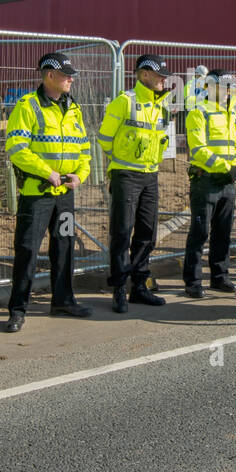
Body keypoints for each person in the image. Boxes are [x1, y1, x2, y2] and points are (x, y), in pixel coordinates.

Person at [2, 51, 93, 333]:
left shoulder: (73, 108)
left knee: (64, 246)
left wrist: (80, 174)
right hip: (37, 194)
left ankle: (63, 301)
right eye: (66, 75)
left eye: (72, 76)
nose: (71, 80)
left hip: (64, 196)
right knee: (28, 250)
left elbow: (84, 150)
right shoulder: (28, 106)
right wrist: (47, 172)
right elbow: (16, 149)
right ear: (49, 75)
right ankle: (17, 310)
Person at [99, 54, 173, 311]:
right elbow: (104, 139)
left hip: (150, 176)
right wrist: (123, 161)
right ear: (143, 75)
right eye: (159, 74)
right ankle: (119, 288)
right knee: (121, 232)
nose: (164, 78)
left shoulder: (161, 106)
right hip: (126, 175)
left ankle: (139, 286)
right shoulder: (125, 101)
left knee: (146, 233)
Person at [182, 69, 236, 297]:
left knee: (223, 233)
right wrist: (224, 168)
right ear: (210, 87)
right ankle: (193, 281)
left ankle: (220, 277)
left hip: (227, 183)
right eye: (223, 86)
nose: (227, 91)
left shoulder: (233, 114)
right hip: (206, 182)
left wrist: (234, 168)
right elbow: (198, 148)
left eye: (230, 87)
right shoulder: (199, 113)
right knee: (199, 233)